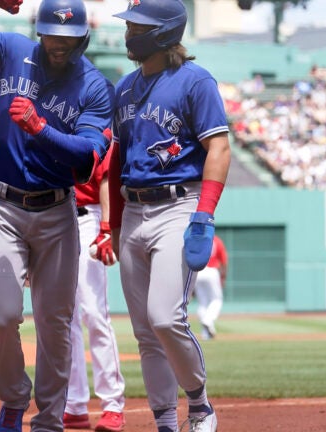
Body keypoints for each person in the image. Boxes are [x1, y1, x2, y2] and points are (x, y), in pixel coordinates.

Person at [0, 0, 114, 430]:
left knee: (56, 324)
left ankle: (50, 419)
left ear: (83, 38)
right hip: (1, 207)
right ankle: (14, 399)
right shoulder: (10, 51)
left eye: (68, 39)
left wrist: (41, 128)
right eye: (51, 36)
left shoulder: (93, 85)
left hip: (57, 211)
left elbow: (90, 156)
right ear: (38, 31)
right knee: (1, 316)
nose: (58, 46)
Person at [108, 1, 231, 431]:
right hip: (134, 210)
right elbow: (116, 160)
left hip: (179, 206)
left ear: (161, 33)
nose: (128, 34)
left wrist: (204, 215)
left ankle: (199, 404)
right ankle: (165, 421)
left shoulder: (195, 81)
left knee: (165, 316)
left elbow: (219, 147)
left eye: (136, 27)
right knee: (145, 332)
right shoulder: (123, 88)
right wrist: (115, 225)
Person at [64, 143, 127, 432]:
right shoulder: (52, 118)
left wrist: (106, 228)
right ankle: (74, 405)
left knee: (94, 313)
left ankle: (112, 404)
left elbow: (105, 178)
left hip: (87, 217)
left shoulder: (95, 119)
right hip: (54, 215)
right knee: (66, 318)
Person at [194, 235, 227, 340]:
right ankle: (208, 321)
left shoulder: (197, 239)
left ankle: (206, 334)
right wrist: (223, 277)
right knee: (217, 300)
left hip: (198, 271)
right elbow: (224, 261)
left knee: (203, 303)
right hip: (212, 270)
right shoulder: (216, 240)